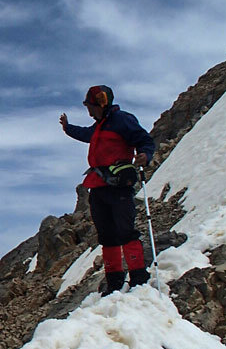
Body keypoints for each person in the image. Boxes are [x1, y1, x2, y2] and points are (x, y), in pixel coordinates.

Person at [59, 85, 156, 294]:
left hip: (119, 185)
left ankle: (138, 277)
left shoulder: (122, 120)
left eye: (90, 106)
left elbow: (144, 140)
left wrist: (145, 155)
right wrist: (68, 128)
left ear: (101, 104)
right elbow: (86, 134)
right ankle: (114, 281)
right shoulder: (100, 125)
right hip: (98, 186)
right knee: (107, 234)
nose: (88, 111)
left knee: (125, 231)